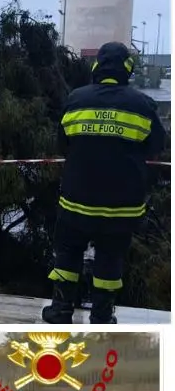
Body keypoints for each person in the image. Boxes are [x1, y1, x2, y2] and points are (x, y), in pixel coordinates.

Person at [42, 41, 167, 324]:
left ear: (97, 67)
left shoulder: (76, 99)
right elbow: (156, 146)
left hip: (76, 202)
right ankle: (102, 315)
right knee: (110, 260)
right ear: (127, 69)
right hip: (122, 208)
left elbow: (63, 145)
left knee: (68, 253)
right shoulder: (142, 105)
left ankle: (61, 309)